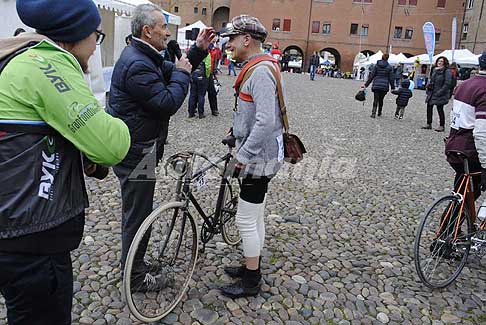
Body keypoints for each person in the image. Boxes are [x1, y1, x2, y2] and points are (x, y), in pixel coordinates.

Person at [0, 0, 131, 323]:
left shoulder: (20, 54)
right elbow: (111, 144)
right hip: (31, 234)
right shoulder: (47, 65)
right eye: (95, 36)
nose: (95, 45)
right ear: (76, 35)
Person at [107, 3, 215, 290]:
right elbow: (167, 102)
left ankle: (136, 264)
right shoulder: (138, 64)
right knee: (138, 215)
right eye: (163, 28)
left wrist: (198, 51)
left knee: (139, 211)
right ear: (147, 30)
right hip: (138, 152)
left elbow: (174, 68)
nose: (168, 33)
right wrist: (183, 74)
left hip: (143, 147)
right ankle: (134, 277)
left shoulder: (146, 55)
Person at [219, 14, 284, 298]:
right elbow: (255, 113)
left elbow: (266, 122)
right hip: (264, 155)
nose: (228, 44)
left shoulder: (259, 71)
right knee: (255, 215)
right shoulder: (260, 66)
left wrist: (241, 157)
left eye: (232, 39)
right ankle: (250, 265)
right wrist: (236, 128)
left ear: (247, 39)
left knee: (245, 219)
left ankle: (251, 280)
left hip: (258, 158)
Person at [444, 51, 486, 210]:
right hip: (471, 149)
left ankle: (449, 227)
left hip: (455, 144)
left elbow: (455, 114)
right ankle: (451, 230)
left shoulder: (466, 84)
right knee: (468, 195)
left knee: (460, 193)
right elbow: (482, 133)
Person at [422, 56, 452, 132]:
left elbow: (447, 83)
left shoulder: (447, 71)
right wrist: (429, 85)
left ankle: (442, 125)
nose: (439, 62)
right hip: (432, 92)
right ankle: (429, 123)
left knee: (440, 109)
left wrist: (440, 92)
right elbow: (432, 80)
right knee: (429, 107)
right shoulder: (434, 70)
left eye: (441, 61)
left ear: (444, 62)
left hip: (440, 92)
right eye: (439, 61)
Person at [363, 53, 395, 118]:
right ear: (387, 58)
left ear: (381, 57)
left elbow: (372, 76)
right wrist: (392, 87)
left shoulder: (376, 66)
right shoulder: (389, 67)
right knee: (381, 99)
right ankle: (379, 112)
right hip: (384, 86)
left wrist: (366, 85)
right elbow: (391, 78)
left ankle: (373, 113)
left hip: (376, 85)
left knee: (375, 99)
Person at [206, 42, 220, 115]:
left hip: (210, 73)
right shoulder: (203, 48)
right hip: (202, 73)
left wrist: (214, 71)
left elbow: (215, 60)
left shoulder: (214, 49)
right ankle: (193, 109)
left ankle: (214, 109)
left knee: (212, 92)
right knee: (197, 93)